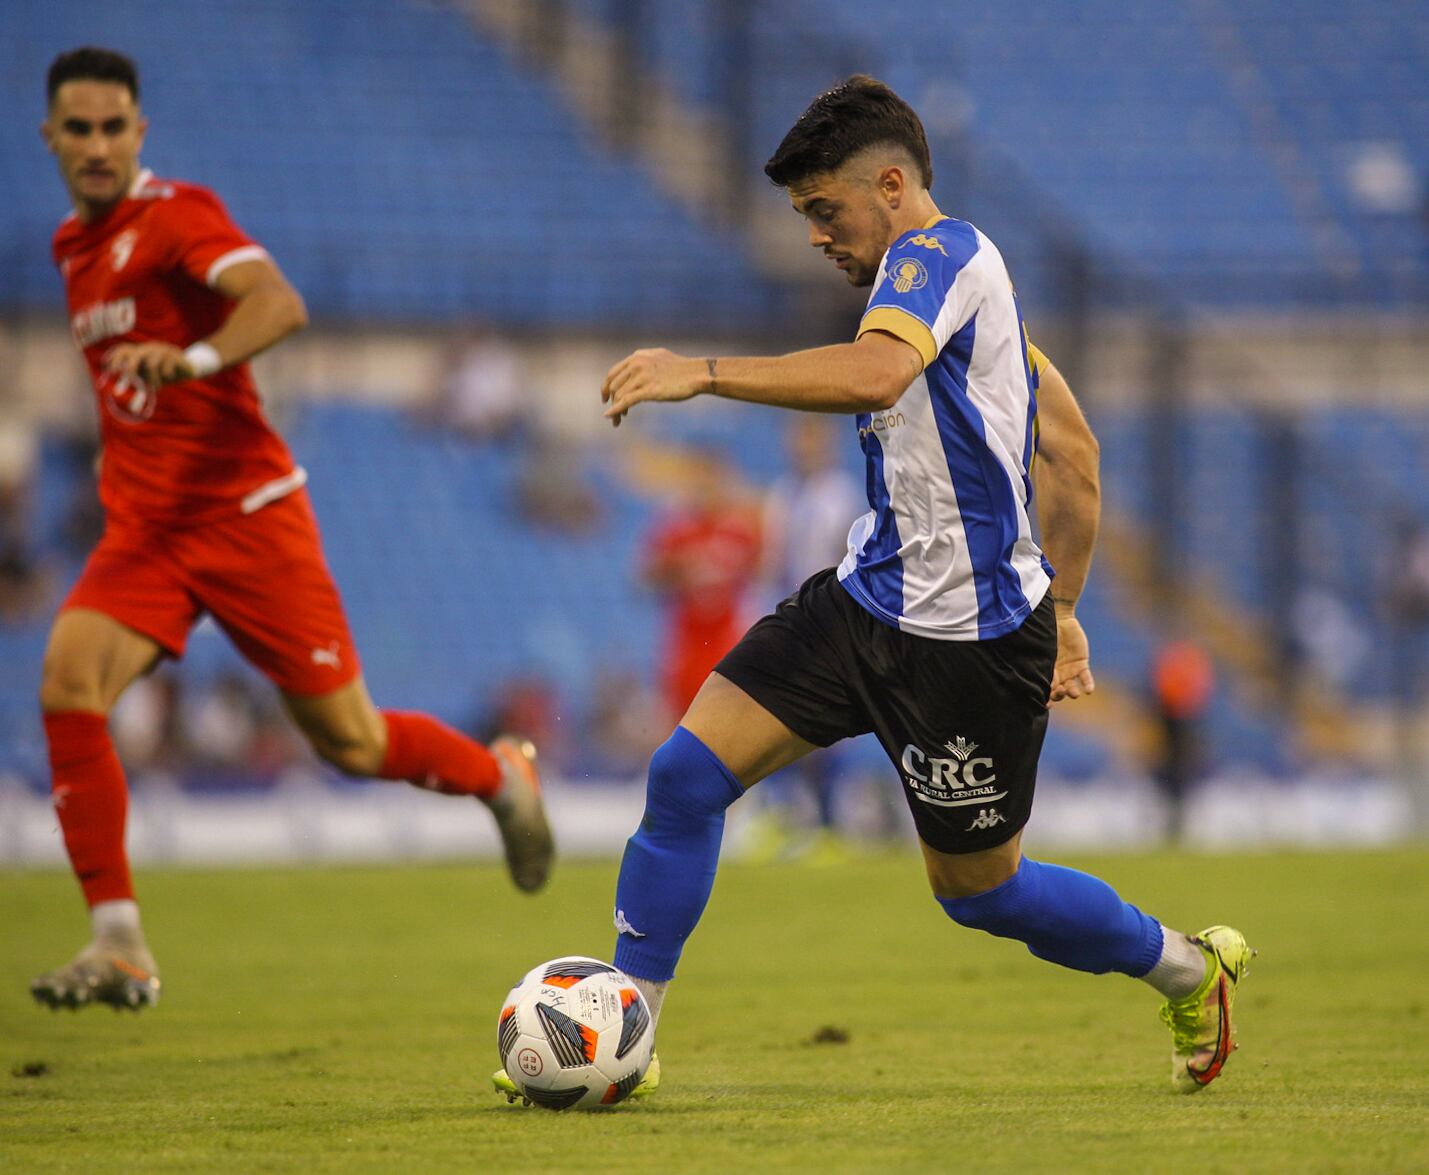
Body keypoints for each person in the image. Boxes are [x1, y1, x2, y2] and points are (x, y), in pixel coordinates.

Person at [500, 76, 1252, 1099]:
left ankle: (1187, 968)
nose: (815, 235)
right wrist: (1069, 607)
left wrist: (702, 371)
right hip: (862, 604)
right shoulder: (954, 303)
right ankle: (624, 1035)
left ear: (891, 186)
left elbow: (876, 379)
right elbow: (1073, 452)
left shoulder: (942, 257)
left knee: (981, 894)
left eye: (824, 209)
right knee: (683, 777)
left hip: (970, 645)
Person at [32, 47, 554, 1013]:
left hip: (246, 517)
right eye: (79, 129)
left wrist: (193, 359)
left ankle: (499, 774)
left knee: (350, 742)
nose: (97, 145)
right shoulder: (71, 247)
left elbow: (279, 303)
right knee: (68, 683)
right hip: (146, 530)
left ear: (139, 132)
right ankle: (119, 943)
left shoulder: (176, 216)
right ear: (49, 137)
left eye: (112, 128)